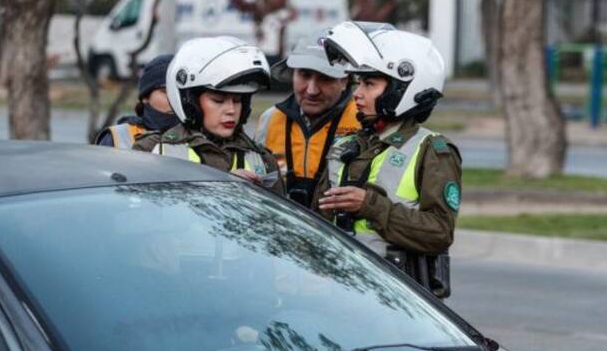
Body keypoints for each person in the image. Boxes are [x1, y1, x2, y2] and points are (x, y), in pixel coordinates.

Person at [316, 22, 462, 298]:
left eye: (369, 84)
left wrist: (370, 205)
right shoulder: (343, 147)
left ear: (401, 88)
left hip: (397, 300)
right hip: (338, 293)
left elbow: (440, 232)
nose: (357, 93)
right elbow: (317, 222)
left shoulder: (431, 150)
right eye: (359, 83)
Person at [133, 36, 284, 194]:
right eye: (218, 101)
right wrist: (223, 184)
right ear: (191, 103)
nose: (231, 110)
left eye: (237, 100)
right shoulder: (152, 150)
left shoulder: (263, 160)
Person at [254, 29, 360, 207]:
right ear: (292, 74)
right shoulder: (270, 119)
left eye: (325, 78)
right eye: (304, 75)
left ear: (345, 80)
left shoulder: (364, 120)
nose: (312, 90)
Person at [95, 54, 179, 148]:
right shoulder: (117, 138)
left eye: (180, 92)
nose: (174, 99)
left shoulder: (192, 138)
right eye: (166, 92)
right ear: (145, 97)